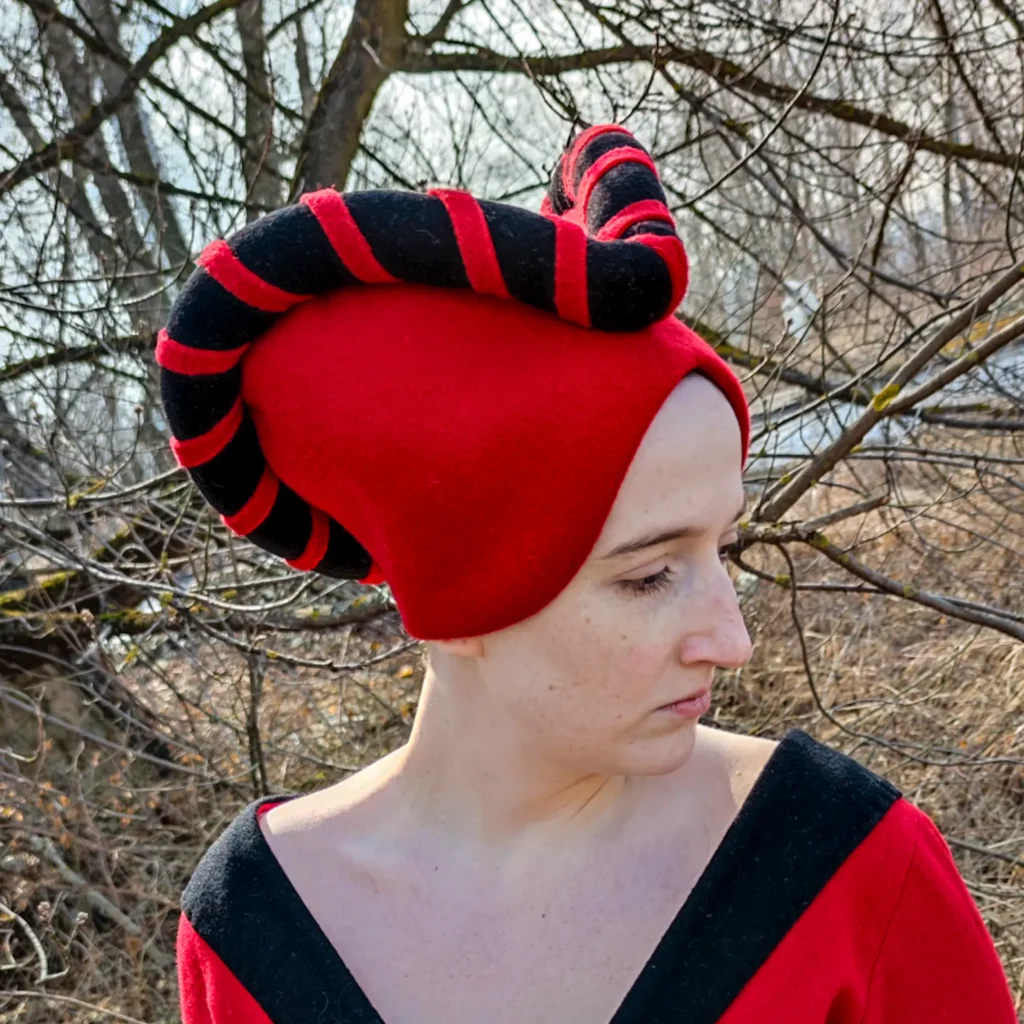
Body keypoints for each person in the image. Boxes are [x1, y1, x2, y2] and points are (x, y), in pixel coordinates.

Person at [160, 125, 1017, 1023]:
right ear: (457, 604)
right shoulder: (252, 930)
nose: (733, 638)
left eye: (721, 549)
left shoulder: (847, 867)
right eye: (649, 575)